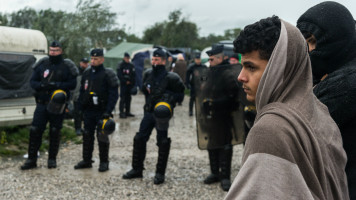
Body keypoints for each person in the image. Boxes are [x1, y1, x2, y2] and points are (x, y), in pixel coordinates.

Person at [225, 16, 349, 199]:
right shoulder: (320, 112)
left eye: (251, 67)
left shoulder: (270, 130)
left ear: (279, 68)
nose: (241, 77)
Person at [296, 2, 356, 198]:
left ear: (339, 38)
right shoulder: (332, 71)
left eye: (314, 41)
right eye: (307, 43)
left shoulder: (347, 83)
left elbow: (296, 128)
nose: (311, 50)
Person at [122, 48, 185, 184]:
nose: (154, 62)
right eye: (153, 59)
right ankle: (137, 169)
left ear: (163, 61)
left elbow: (180, 96)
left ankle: (159, 173)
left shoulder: (172, 78)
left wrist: (168, 99)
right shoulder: (148, 74)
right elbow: (145, 90)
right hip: (149, 112)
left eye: (157, 60)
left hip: (162, 115)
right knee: (139, 138)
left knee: (162, 142)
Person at [21, 41, 78, 170]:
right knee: (35, 130)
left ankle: (52, 159)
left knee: (54, 131)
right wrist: (41, 86)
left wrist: (57, 85)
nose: (53, 53)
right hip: (41, 104)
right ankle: (31, 160)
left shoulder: (66, 66)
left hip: (57, 106)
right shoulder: (42, 64)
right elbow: (32, 81)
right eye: (51, 50)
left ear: (61, 51)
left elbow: (72, 84)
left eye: (56, 50)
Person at [197, 44, 243, 191]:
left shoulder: (227, 74)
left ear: (218, 58)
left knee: (225, 145)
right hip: (211, 115)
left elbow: (233, 97)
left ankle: (225, 177)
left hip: (224, 114)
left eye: (211, 59)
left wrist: (214, 103)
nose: (209, 62)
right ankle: (215, 172)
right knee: (211, 143)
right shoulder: (211, 72)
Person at [74, 49, 119, 172]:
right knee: (87, 135)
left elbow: (114, 94)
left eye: (96, 59)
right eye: (92, 59)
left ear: (102, 59)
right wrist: (80, 107)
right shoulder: (87, 73)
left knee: (102, 136)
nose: (93, 61)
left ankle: (104, 162)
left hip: (102, 110)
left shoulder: (108, 73)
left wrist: (108, 110)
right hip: (89, 110)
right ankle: (86, 160)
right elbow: (83, 91)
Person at [72, 57, 89, 135]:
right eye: (84, 63)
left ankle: (85, 128)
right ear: (80, 63)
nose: (86, 64)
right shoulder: (76, 72)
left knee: (85, 113)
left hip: (85, 96)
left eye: (86, 63)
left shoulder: (88, 72)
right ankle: (77, 128)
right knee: (77, 113)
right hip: (77, 96)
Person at [117, 52, 136, 118]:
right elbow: (119, 75)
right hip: (123, 84)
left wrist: (132, 82)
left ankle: (127, 112)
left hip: (130, 84)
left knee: (129, 98)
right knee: (123, 98)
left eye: (128, 58)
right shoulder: (121, 65)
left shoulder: (131, 65)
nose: (127, 59)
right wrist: (125, 81)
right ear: (124, 58)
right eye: (126, 58)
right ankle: (121, 112)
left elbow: (133, 74)